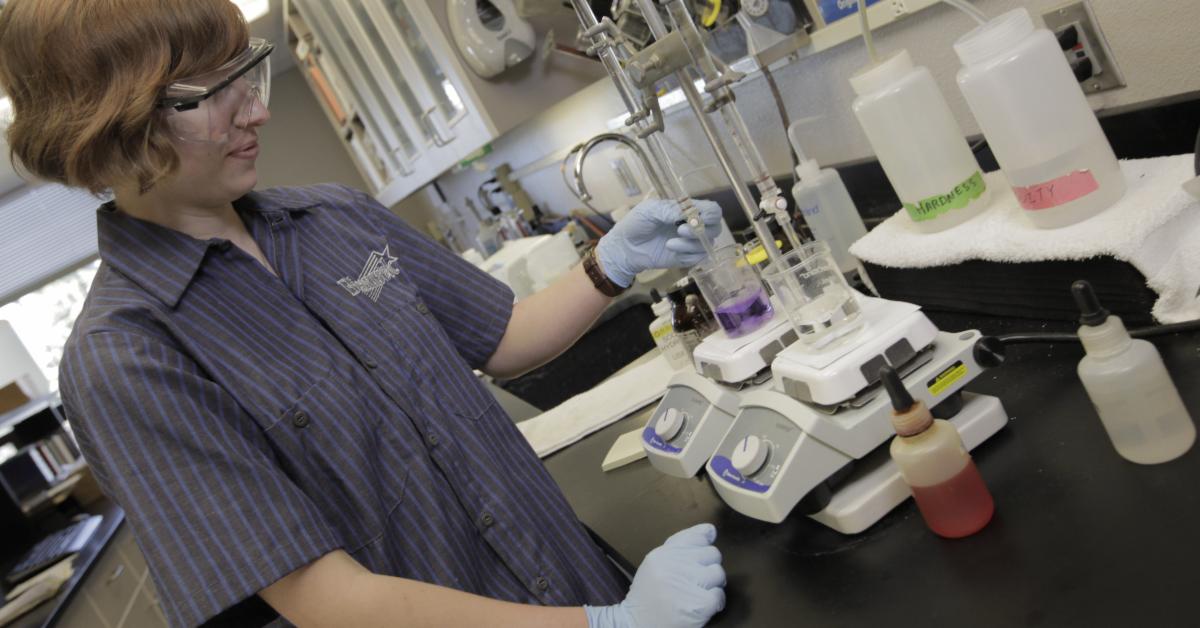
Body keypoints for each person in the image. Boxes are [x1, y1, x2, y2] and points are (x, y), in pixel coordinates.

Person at [0, 1, 729, 626]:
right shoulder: (124, 358)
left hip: (578, 579)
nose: (258, 109)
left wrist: (610, 263)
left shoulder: (336, 218)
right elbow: (326, 598)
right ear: (109, 126)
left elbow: (504, 338)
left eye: (246, 73)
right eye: (215, 92)